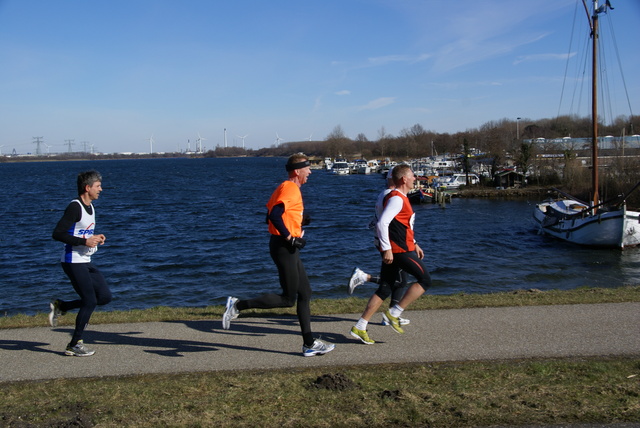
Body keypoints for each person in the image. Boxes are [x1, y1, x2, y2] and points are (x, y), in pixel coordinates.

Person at [222, 153, 335, 357]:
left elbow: (270, 216)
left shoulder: (285, 187)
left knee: (305, 293)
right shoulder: (290, 188)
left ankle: (309, 343)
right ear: (297, 171)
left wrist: (299, 220)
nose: (310, 172)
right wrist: (290, 237)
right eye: (307, 168)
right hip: (284, 248)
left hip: (284, 247)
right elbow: (274, 216)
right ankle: (238, 305)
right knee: (288, 299)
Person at [350, 164, 431, 344]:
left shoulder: (399, 197)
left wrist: (415, 243)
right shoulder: (397, 199)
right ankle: (394, 313)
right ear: (404, 179)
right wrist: (387, 248)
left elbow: (401, 226)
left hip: (400, 248)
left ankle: (360, 326)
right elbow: (382, 223)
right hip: (399, 251)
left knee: (385, 288)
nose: (415, 179)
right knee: (425, 280)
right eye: (412, 176)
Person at [49, 170, 112, 357]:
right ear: (87, 187)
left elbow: (81, 232)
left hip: (86, 261)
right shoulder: (74, 207)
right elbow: (58, 234)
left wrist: (95, 237)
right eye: (98, 186)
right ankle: (74, 344)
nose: (101, 189)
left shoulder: (91, 207)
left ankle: (63, 306)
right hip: (72, 261)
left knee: (105, 297)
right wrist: (84, 242)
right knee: (90, 300)